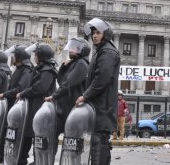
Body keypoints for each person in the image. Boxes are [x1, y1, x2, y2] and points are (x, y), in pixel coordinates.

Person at [76, 18, 120, 165]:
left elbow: (102, 79)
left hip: (103, 106)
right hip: (99, 105)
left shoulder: (107, 51)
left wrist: (85, 96)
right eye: (93, 33)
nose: (94, 35)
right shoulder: (101, 51)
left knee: (99, 142)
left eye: (98, 33)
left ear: (106, 34)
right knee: (98, 143)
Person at [44, 37, 91, 156]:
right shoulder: (74, 63)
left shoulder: (81, 64)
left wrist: (54, 96)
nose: (71, 49)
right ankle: (49, 159)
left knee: (71, 138)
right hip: (65, 107)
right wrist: (64, 66)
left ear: (82, 50)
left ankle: (72, 161)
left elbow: (69, 83)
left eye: (75, 48)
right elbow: (61, 81)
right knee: (53, 133)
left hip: (72, 107)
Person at [16, 43, 58, 165]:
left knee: (39, 136)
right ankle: (24, 159)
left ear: (42, 56)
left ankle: (38, 161)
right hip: (35, 106)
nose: (34, 57)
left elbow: (40, 88)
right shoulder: (40, 69)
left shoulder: (48, 71)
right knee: (31, 133)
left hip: (41, 108)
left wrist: (23, 93)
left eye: (36, 55)